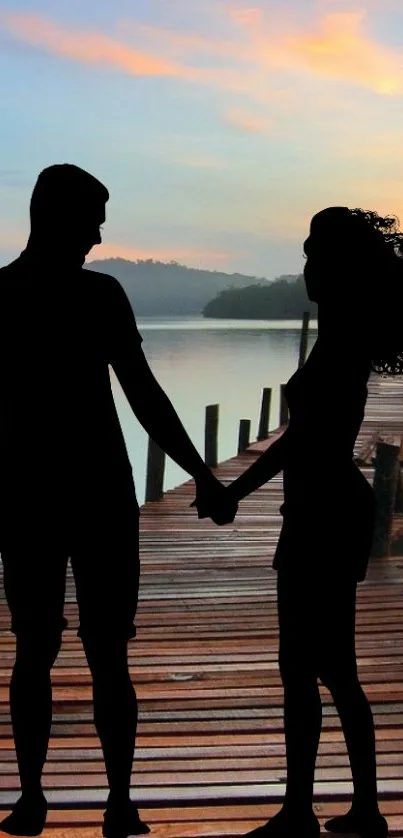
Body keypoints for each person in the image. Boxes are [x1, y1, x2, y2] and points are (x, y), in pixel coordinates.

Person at [0, 163, 237, 838]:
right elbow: (143, 394)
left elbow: (143, 395)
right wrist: (208, 478)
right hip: (76, 495)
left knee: (48, 650)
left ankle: (61, 799)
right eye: (93, 217)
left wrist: (202, 472)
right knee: (79, 651)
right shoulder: (93, 296)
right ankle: (97, 801)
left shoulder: (19, 294)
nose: (101, 234)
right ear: (58, 215)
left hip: (45, 497)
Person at [196, 207, 400, 838]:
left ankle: (318, 810)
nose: (306, 267)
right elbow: (299, 437)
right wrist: (238, 490)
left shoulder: (342, 343)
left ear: (337, 267)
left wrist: (233, 491)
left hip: (325, 513)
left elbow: (304, 438)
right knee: (322, 665)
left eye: (315, 255)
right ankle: (329, 807)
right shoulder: (340, 334)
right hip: (322, 510)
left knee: (320, 665)